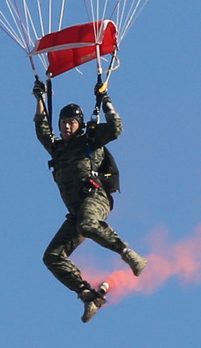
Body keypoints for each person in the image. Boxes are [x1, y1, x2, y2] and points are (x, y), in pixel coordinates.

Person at [33, 77, 148, 323]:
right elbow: (41, 128)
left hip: (96, 197)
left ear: (79, 124)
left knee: (86, 224)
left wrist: (105, 99)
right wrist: (40, 99)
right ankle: (88, 295)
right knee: (52, 256)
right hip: (76, 211)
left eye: (71, 123)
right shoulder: (58, 149)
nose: (66, 127)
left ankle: (128, 254)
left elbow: (116, 128)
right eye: (63, 123)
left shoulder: (90, 141)